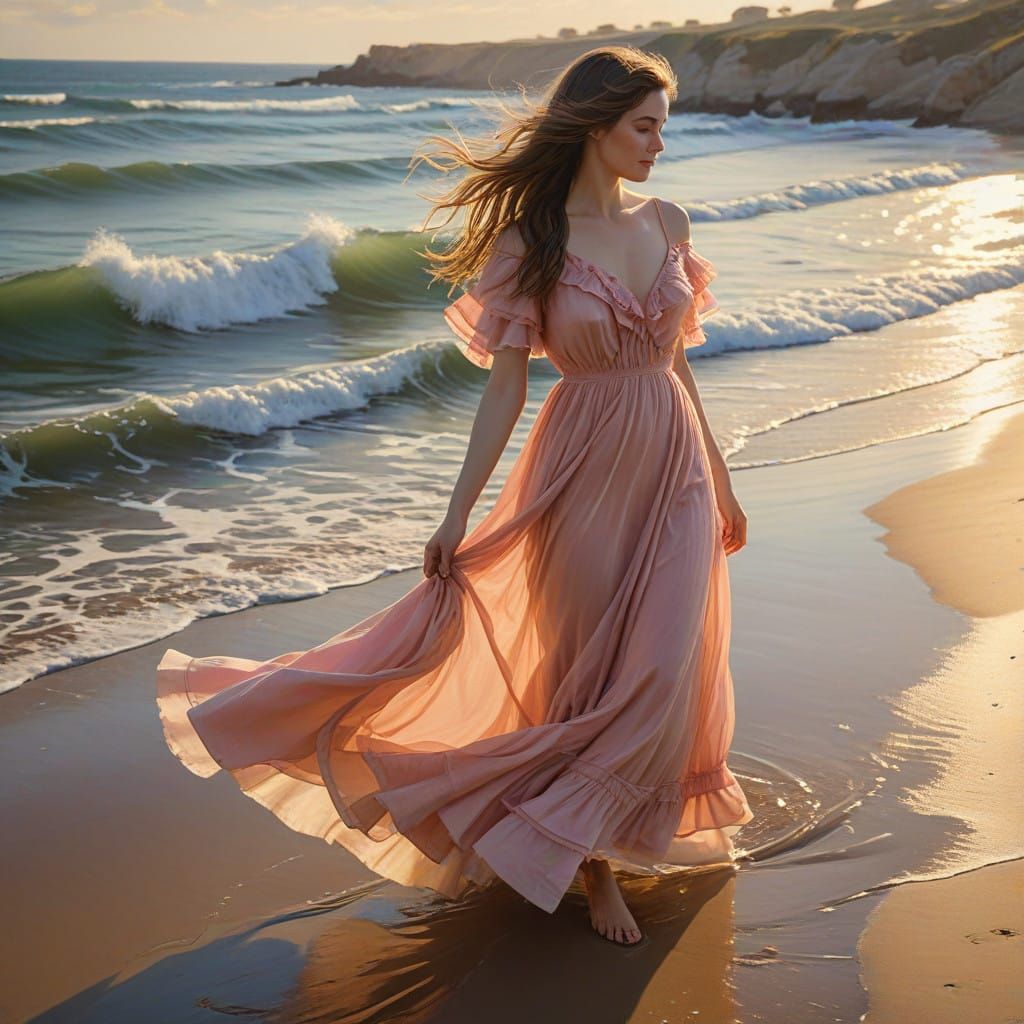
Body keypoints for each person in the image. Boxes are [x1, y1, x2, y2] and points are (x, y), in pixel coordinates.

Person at [156, 45, 754, 949]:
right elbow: (505, 390)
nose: (659, 143)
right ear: (596, 127)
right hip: (580, 472)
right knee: (579, 671)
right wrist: (456, 511)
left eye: (662, 126)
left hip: (673, 464)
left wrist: (724, 477)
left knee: (665, 666)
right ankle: (589, 867)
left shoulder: (669, 221)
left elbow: (677, 364)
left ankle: (612, 833)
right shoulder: (532, 241)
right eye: (645, 126)